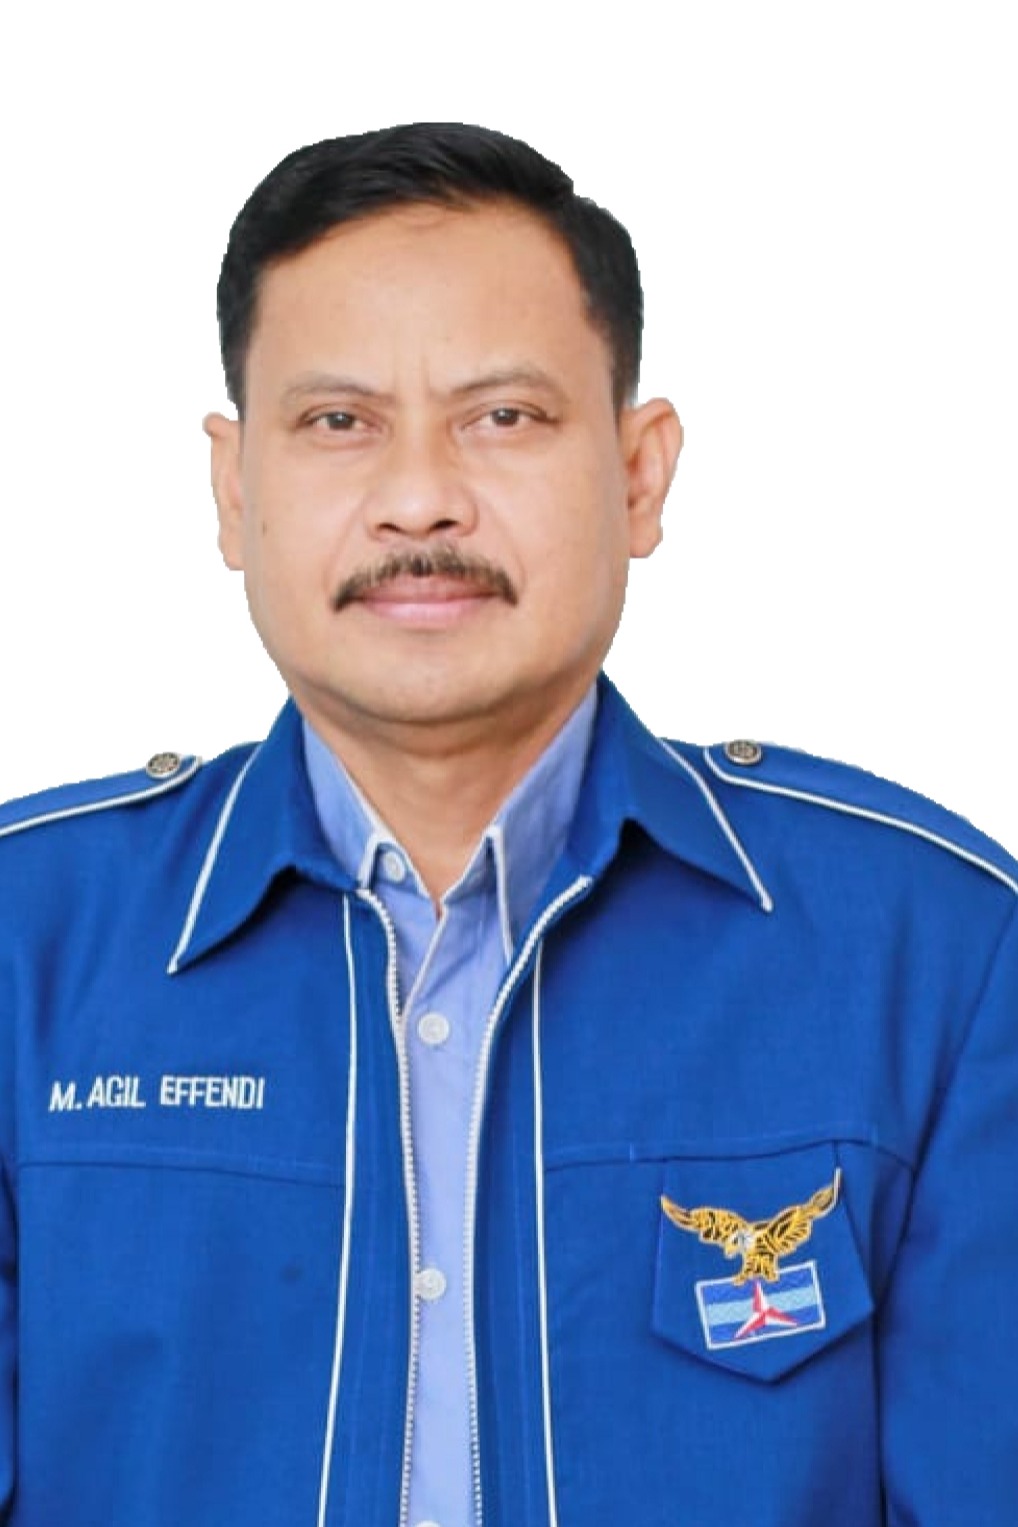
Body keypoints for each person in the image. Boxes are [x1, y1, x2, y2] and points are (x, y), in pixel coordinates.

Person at [0, 122, 1015, 1527]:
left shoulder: (935, 954)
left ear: (639, 474)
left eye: (504, 418)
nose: (420, 498)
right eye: (339, 422)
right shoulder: (27, 949)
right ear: (234, 491)